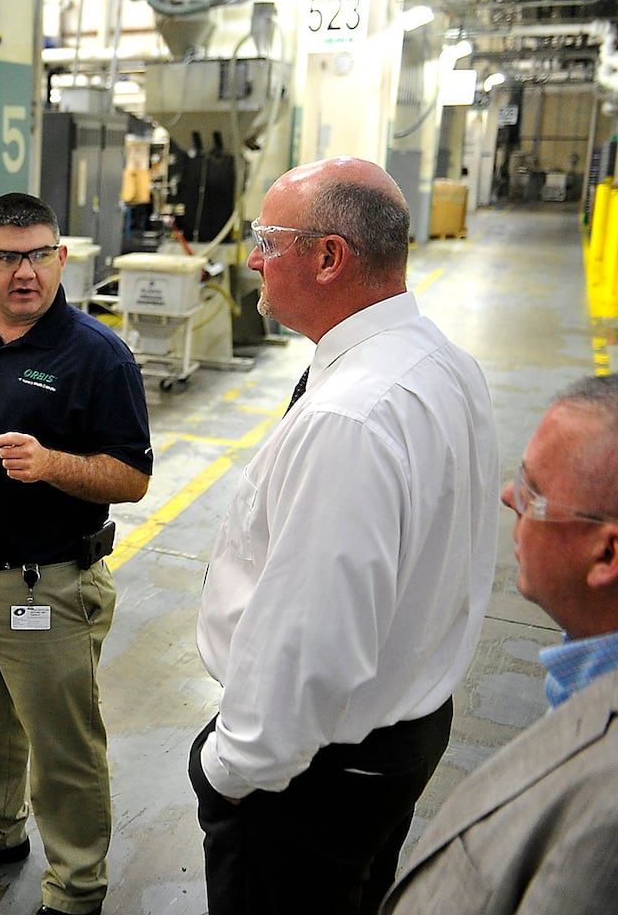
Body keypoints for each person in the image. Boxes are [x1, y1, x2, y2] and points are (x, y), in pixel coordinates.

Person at [191, 156, 498, 915]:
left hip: (310, 771)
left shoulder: (351, 416)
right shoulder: (443, 364)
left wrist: (227, 769)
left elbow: (308, 643)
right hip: (403, 729)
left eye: (269, 238)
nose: (252, 257)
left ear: (328, 257)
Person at [0, 192, 153, 915]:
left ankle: (76, 887)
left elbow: (132, 476)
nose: (25, 272)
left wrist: (52, 465)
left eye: (40, 254)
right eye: (7, 256)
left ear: (61, 258)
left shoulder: (97, 356)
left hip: (51, 582)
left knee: (63, 743)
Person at [381, 376, 618, 914]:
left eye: (535, 493)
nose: (510, 496)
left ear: (607, 556)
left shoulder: (607, 814)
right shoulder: (584, 673)